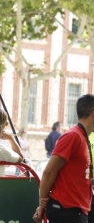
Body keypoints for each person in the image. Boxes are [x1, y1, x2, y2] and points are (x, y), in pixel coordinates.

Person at [33, 94, 94, 223]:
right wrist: (42, 206)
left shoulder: (82, 137)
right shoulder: (73, 136)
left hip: (76, 211)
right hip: (67, 211)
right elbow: (49, 172)